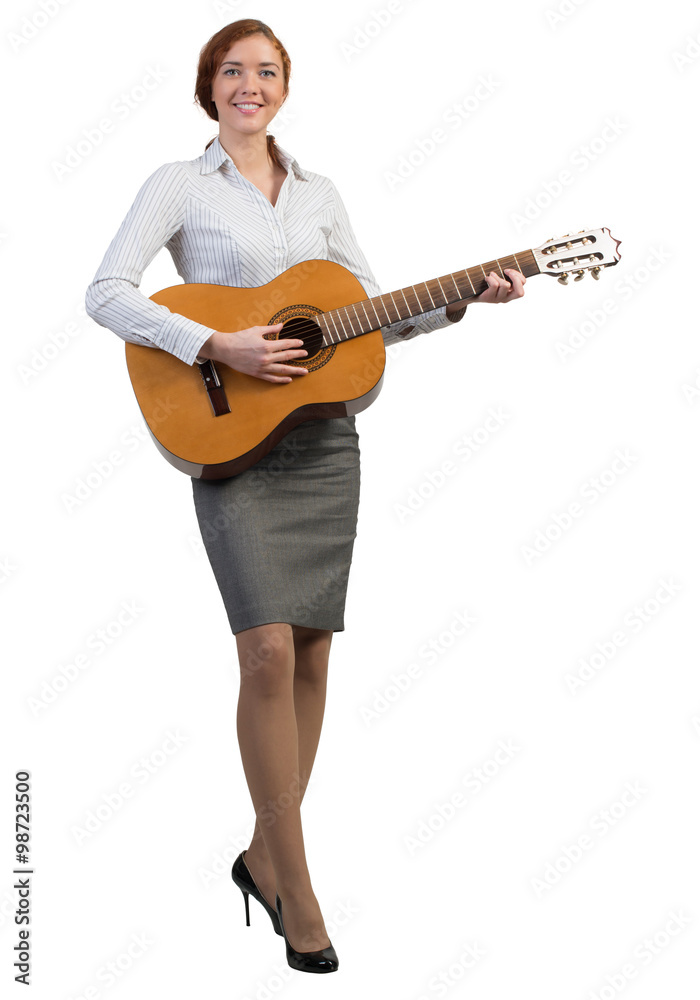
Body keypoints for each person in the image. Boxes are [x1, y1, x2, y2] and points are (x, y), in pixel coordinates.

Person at [84, 18, 526, 975]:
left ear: (287, 87)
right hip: (230, 438)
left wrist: (459, 301)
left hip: (325, 442)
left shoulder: (321, 193)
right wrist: (216, 344)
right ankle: (300, 886)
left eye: (267, 72)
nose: (251, 85)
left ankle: (260, 857)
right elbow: (108, 291)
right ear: (209, 87)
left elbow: (363, 322)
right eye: (233, 72)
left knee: (314, 655)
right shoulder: (177, 183)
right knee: (265, 652)